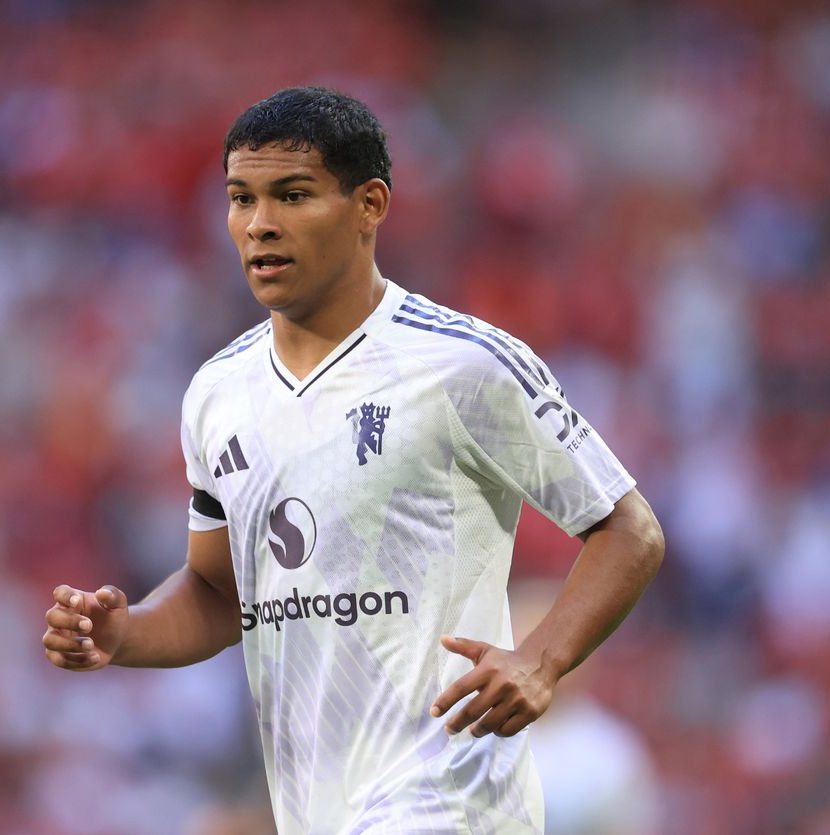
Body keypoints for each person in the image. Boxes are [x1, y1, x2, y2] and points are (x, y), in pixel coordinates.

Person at [42, 86, 665, 834]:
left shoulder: (463, 365)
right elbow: (218, 591)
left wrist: (541, 659)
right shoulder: (217, 393)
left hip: (452, 804)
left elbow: (630, 528)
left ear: (370, 205)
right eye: (241, 198)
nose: (260, 224)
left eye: (292, 195)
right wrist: (126, 634)